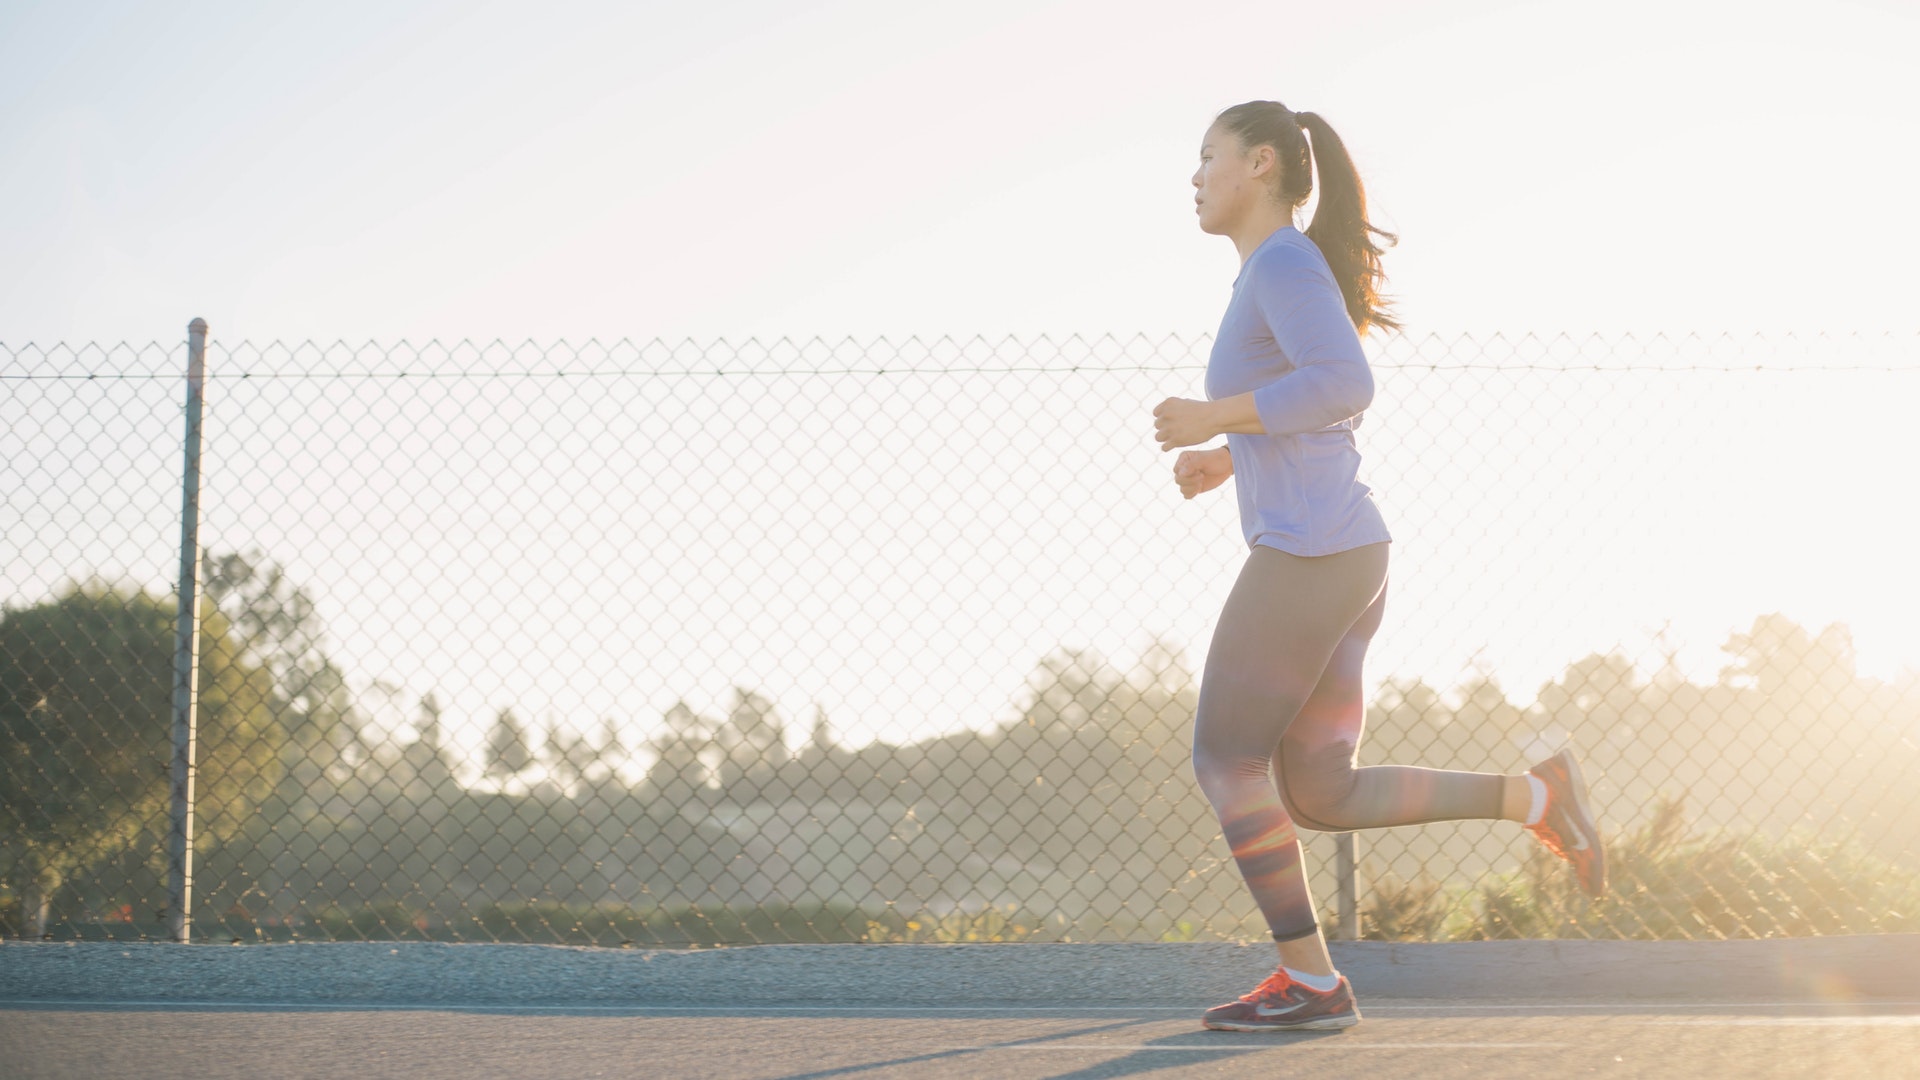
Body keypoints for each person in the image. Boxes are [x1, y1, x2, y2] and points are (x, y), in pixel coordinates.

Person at [1152, 100, 1606, 1033]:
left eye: (1208, 156)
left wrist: (1215, 416)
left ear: (1263, 164)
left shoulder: (1280, 261)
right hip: (1345, 553)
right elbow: (1319, 405)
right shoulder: (1272, 271)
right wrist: (1230, 455)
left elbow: (1346, 384)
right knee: (1320, 790)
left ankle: (1313, 985)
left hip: (1314, 555)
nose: (1194, 176)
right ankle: (1540, 796)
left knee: (1226, 757)